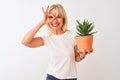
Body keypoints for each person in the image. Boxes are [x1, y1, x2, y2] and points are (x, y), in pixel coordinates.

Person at [21, 3, 93, 80]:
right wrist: (42, 22)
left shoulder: (72, 36)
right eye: (51, 17)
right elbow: (25, 41)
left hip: (70, 78)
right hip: (52, 77)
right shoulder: (47, 38)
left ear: (63, 19)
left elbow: (76, 58)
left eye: (58, 17)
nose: (54, 21)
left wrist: (82, 55)